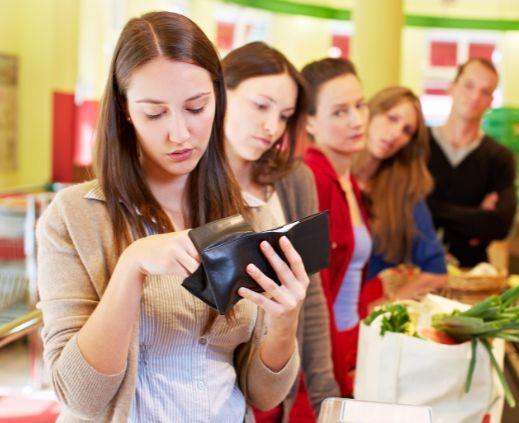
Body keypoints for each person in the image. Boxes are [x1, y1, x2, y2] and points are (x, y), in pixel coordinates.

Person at [37, 12, 306, 422]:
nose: (180, 133)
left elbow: (262, 394)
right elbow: (81, 397)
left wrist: (285, 322)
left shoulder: (254, 212)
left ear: (218, 99)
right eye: (155, 113)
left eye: (196, 108)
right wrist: (132, 264)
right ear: (125, 111)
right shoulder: (76, 215)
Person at [220, 41, 338, 422]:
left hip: (274, 379)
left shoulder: (293, 179)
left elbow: (312, 294)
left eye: (285, 115)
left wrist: (325, 398)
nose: (272, 127)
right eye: (260, 106)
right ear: (220, 91)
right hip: (212, 390)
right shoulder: (188, 180)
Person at [301, 58, 371, 397]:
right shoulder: (314, 179)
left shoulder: (346, 179)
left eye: (360, 106)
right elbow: (315, 292)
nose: (357, 120)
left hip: (351, 343)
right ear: (310, 121)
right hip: (327, 354)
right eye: (339, 112)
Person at [352, 86, 447, 311]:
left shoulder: (404, 191)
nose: (395, 134)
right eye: (391, 118)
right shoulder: (332, 175)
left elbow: (436, 272)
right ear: (370, 112)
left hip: (363, 319)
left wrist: (381, 308)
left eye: (406, 131)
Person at [427, 58, 517, 268]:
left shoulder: (500, 157)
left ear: (491, 101)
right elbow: (408, 209)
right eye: (469, 85)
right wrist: (476, 217)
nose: (475, 96)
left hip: (472, 273)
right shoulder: (419, 145)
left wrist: (433, 208)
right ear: (452, 87)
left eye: (485, 91)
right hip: (413, 269)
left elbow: (501, 225)